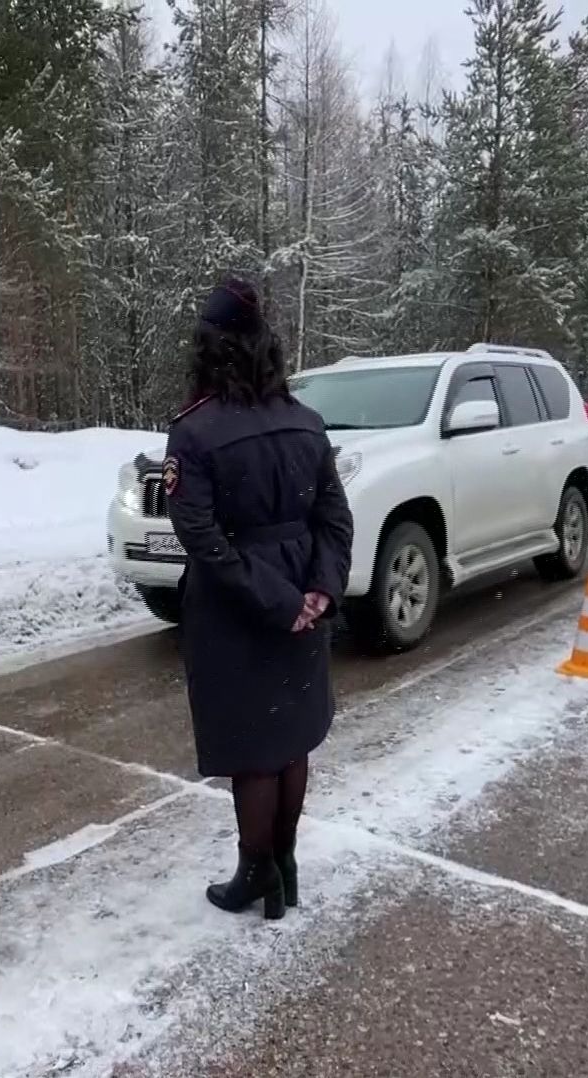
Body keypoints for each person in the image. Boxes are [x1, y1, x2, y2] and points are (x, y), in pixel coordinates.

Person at [164, 277, 353, 920]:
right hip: (297, 591)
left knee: (255, 749)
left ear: (210, 351)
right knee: (291, 739)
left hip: (238, 608)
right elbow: (336, 519)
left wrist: (281, 600)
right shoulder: (306, 422)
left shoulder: (194, 431)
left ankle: (261, 870)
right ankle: (283, 867)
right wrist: (318, 590)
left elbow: (201, 538)